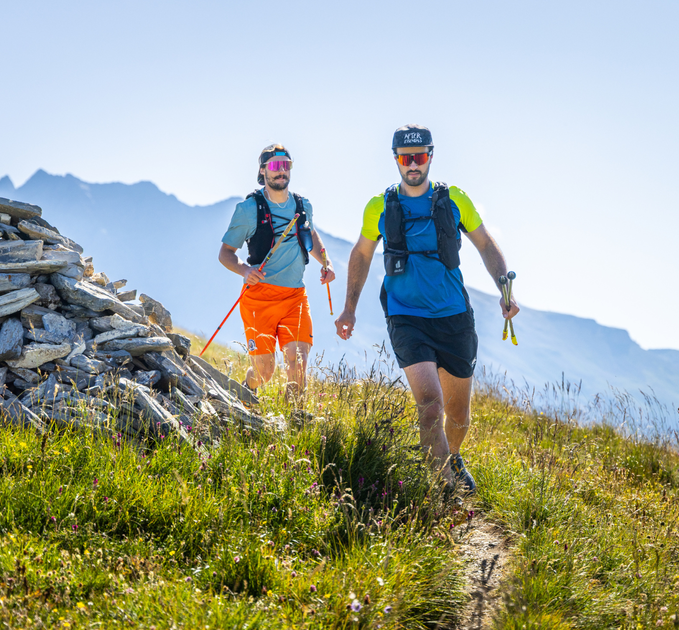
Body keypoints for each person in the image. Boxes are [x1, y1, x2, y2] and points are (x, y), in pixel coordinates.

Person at [335, 125, 519, 493]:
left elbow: (484, 243)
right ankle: (441, 494)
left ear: (430, 156)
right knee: (431, 406)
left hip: (453, 317)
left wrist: (505, 288)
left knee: (458, 416)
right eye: (405, 158)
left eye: (419, 157)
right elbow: (361, 254)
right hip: (405, 316)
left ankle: (451, 457)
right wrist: (349, 309)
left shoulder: (454, 200)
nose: (413, 164)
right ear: (396, 160)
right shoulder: (379, 207)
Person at [219, 144, 335, 404]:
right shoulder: (249, 209)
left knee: (299, 363)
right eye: (274, 166)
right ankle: (246, 390)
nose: (281, 171)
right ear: (263, 171)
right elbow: (225, 253)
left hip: (295, 297)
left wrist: (325, 262)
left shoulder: (303, 205)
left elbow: (310, 234)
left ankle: (293, 426)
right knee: (264, 371)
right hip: (259, 298)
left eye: (286, 165)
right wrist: (244, 270)